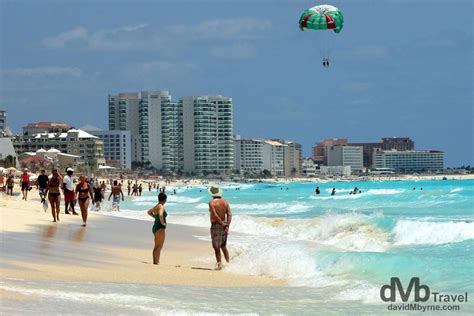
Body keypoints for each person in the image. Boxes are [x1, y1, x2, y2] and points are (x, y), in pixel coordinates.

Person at [208, 186, 232, 270]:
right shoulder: (225, 202)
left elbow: (215, 215)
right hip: (224, 225)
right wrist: (227, 225)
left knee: (216, 247)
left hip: (216, 225)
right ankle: (229, 264)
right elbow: (229, 214)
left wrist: (222, 224)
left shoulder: (211, 203)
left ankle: (219, 265)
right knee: (223, 246)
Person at [147, 191, 167, 265]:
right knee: (159, 246)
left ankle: (155, 261)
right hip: (160, 227)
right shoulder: (161, 206)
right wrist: (163, 223)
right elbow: (161, 215)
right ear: (165, 200)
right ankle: (157, 262)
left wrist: (155, 217)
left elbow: (149, 212)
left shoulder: (156, 206)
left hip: (155, 227)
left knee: (156, 246)